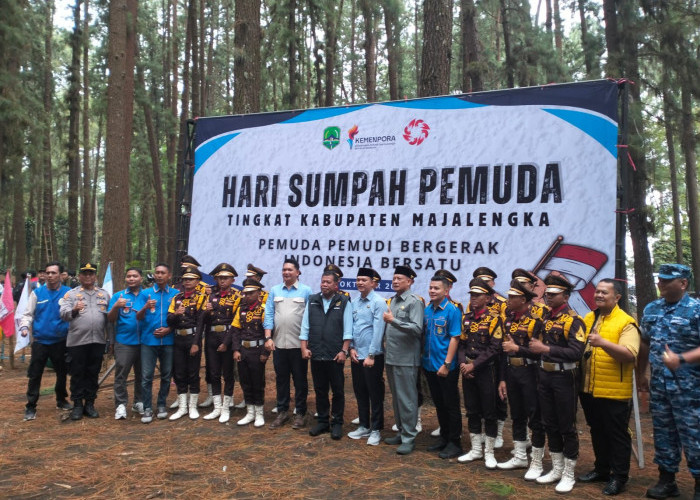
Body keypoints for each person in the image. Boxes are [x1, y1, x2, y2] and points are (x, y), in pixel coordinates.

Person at [639, 264, 700, 500]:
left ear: (683, 283)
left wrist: (681, 359)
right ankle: (667, 481)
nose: (660, 283)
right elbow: (645, 342)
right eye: (660, 279)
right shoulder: (652, 309)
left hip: (690, 388)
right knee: (663, 433)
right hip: (660, 386)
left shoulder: (695, 310)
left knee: (694, 436)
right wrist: (641, 374)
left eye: (666, 280)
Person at [578, 278, 640, 496]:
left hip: (615, 390)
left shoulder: (626, 322)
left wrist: (603, 343)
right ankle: (601, 470)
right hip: (589, 388)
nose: (599, 295)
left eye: (604, 292)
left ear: (617, 297)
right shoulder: (589, 318)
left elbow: (629, 354)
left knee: (617, 434)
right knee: (597, 430)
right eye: (597, 291)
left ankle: (619, 477)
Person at [528, 273, 586, 494]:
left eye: (554, 294)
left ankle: (569, 473)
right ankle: (557, 467)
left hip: (564, 377)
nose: (549, 297)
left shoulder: (574, 320)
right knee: (549, 423)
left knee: (566, 425)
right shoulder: (545, 318)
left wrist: (546, 349)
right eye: (547, 294)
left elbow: (576, 352)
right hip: (545, 375)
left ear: (566, 296)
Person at [496, 279, 545, 479]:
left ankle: (537, 461)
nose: (508, 299)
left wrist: (518, 348)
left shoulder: (536, 322)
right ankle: (520, 456)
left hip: (530, 372)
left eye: (512, 297)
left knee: (535, 416)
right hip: (511, 372)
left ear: (523, 300)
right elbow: (504, 352)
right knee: (516, 414)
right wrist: (502, 379)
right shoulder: (508, 320)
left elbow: (540, 353)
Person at [456, 278, 504, 468]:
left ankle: (489, 453)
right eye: (472, 295)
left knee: (489, 411)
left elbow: (494, 348)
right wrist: (463, 364)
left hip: (486, 371)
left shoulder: (494, 319)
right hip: (467, 371)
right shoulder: (466, 318)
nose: (474, 298)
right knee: (472, 410)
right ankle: (475, 450)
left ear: (488, 298)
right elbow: (461, 344)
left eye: (478, 295)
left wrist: (473, 365)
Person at [301, 269, 352, 440]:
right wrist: (304, 348)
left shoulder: (343, 301)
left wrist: (344, 351)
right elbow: (305, 326)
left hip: (335, 355)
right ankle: (323, 421)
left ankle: (337, 423)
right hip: (316, 353)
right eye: (323, 282)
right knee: (320, 390)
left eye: (328, 282)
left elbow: (348, 329)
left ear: (336, 285)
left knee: (337, 390)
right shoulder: (312, 300)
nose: (324, 285)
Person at [19, 262, 73, 421]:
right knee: (35, 374)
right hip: (40, 341)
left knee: (62, 373)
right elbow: (28, 314)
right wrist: (24, 327)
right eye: (47, 272)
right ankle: (31, 405)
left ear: (61, 275)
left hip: (61, 341)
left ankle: (61, 399)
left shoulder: (68, 293)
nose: (49, 275)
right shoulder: (37, 293)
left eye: (53, 273)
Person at [264, 258, 312, 429]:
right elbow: (269, 314)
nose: (286, 272)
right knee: (281, 380)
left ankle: (300, 413)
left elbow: (309, 318)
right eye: (284, 269)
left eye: (290, 269)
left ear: (298, 272)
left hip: (298, 345)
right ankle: (282, 412)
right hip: (279, 344)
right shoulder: (275, 290)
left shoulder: (306, 291)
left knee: (300, 380)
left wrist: (306, 344)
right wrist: (268, 337)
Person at [59, 262, 111, 420]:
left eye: (91, 274)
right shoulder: (71, 294)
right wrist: (74, 309)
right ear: (79, 276)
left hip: (98, 341)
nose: (88, 276)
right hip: (77, 341)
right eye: (85, 274)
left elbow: (109, 318)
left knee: (93, 373)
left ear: (95, 276)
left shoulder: (104, 294)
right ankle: (77, 404)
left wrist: (110, 339)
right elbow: (63, 313)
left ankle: (89, 403)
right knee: (77, 373)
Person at [383, 265, 424, 455]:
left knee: (407, 399)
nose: (395, 281)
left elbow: (417, 329)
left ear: (410, 281)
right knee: (397, 399)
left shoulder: (414, 302)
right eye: (394, 278)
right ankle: (401, 432)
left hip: (407, 359)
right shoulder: (392, 300)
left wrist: (394, 321)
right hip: (392, 357)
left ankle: (409, 437)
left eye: (399, 278)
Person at [423, 274, 463, 459]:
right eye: (431, 287)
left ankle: (455, 442)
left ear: (446, 290)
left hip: (446, 366)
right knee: (439, 404)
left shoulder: (452, 310)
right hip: (430, 365)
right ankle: (444, 437)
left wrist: (447, 364)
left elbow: (455, 338)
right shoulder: (428, 310)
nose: (432, 291)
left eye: (436, 288)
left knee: (451, 405)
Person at [347, 267, 387, 446]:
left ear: (373, 283)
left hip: (373, 356)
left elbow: (378, 330)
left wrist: (371, 354)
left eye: (364, 280)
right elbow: (352, 327)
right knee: (360, 391)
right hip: (357, 354)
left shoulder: (379, 302)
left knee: (375, 393)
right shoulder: (354, 303)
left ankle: (376, 429)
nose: (360, 283)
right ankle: (364, 425)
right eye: (358, 280)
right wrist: (351, 348)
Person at [470, 266, 508, 448]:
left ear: (492, 284)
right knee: (479, 399)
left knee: (497, 396)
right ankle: (483, 434)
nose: (483, 284)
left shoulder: (503, 303)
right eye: (480, 281)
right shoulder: (472, 304)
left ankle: (498, 434)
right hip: (479, 355)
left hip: (499, 353)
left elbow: (506, 328)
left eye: (486, 281)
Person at [136, 262, 179, 424]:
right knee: (147, 376)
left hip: (168, 341)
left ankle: (161, 404)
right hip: (149, 341)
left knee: (166, 375)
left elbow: (180, 318)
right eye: (157, 273)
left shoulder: (175, 294)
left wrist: (169, 329)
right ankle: (147, 407)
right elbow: (138, 317)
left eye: (163, 273)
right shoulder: (145, 294)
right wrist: (145, 307)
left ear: (169, 276)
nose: (159, 275)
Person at [198, 263, 241, 423]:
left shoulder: (237, 297)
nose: (222, 280)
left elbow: (236, 323)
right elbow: (201, 319)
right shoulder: (209, 295)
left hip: (228, 338)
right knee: (214, 373)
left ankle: (226, 408)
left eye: (226, 278)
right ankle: (217, 407)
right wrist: (206, 311)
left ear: (232, 280)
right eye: (220, 278)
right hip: (211, 338)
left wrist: (226, 343)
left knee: (228, 374)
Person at [167, 266, 206, 420]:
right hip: (178, 339)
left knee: (193, 372)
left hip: (193, 338)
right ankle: (182, 407)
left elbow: (201, 322)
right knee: (179, 372)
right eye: (185, 279)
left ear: (197, 281)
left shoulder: (201, 298)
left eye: (191, 279)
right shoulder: (177, 298)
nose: (187, 281)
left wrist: (196, 343)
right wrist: (176, 314)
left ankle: (192, 406)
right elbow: (169, 320)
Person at [107, 267, 145, 419]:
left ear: (141, 278)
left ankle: (139, 402)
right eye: (129, 276)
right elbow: (110, 319)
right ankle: (121, 405)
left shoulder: (147, 295)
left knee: (142, 374)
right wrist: (116, 306)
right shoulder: (118, 296)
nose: (131, 278)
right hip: (124, 342)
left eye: (135, 276)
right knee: (121, 374)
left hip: (144, 342)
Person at [232, 278, 269, 428]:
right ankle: (250, 412)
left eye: (251, 293)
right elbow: (236, 331)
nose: (247, 296)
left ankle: (259, 413)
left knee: (257, 382)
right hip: (243, 350)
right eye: (245, 293)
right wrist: (236, 349)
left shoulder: (264, 309)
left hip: (257, 351)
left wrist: (265, 353)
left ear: (259, 293)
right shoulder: (241, 309)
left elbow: (269, 332)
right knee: (245, 381)